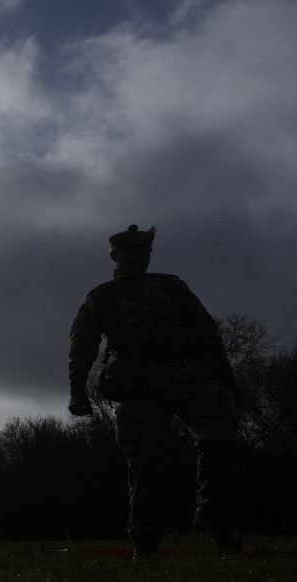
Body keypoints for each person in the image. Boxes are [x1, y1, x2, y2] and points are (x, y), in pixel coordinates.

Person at [68, 225, 244, 558]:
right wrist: (78, 390)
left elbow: (208, 334)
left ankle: (213, 518)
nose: (142, 259)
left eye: (147, 253)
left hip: (190, 375)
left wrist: (228, 380)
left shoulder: (172, 287)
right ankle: (145, 540)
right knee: (145, 460)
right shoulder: (101, 298)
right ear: (115, 256)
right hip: (139, 383)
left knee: (220, 439)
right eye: (134, 254)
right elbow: (83, 346)